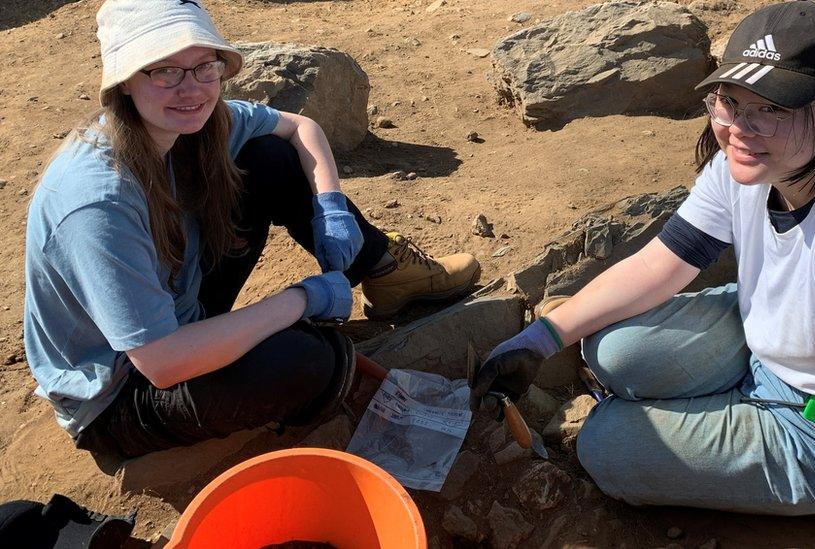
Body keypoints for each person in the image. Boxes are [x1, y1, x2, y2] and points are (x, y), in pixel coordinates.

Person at [470, 2, 815, 546]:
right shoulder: (755, 165)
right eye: (729, 100)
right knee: (611, 348)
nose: (739, 128)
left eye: (772, 108)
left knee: (606, 445)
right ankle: (732, 403)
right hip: (775, 344)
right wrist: (542, 337)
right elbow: (661, 263)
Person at [24, 0, 480, 459]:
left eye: (205, 66)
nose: (191, 88)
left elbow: (301, 127)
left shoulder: (195, 122)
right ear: (125, 82)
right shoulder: (98, 202)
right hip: (123, 388)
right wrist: (302, 299)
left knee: (270, 157)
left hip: (182, 301)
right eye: (164, 71)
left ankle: (384, 272)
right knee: (307, 360)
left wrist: (330, 205)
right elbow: (162, 362)